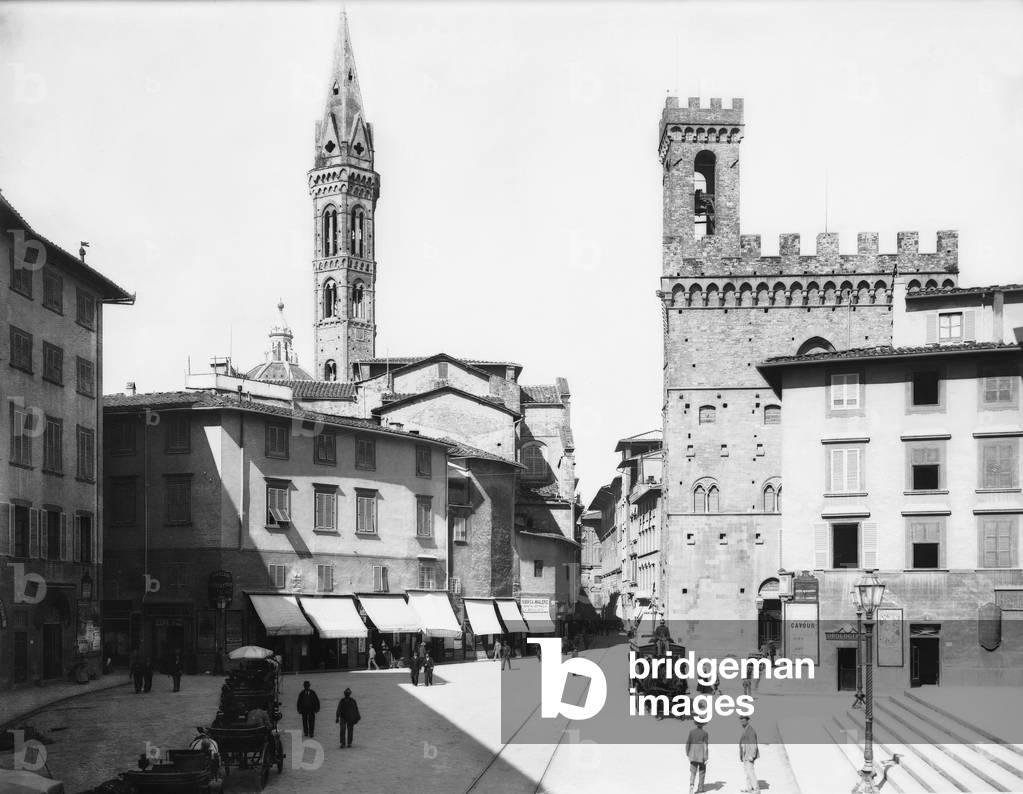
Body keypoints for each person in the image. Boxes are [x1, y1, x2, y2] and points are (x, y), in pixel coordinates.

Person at [686, 720, 710, 794]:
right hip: (701, 755)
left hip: (693, 755)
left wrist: (687, 752)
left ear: (696, 724)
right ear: (703, 724)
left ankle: (691, 785)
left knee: (693, 772)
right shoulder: (705, 733)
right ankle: (700, 788)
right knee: (702, 772)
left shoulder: (691, 732)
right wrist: (706, 757)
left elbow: (688, 742)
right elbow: (705, 746)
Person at [739, 715, 760, 792]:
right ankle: (749, 788)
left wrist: (752, 755)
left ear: (747, 720)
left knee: (750, 772)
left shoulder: (750, 730)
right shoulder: (746, 730)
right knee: (747, 772)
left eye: (743, 720)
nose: (742, 722)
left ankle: (756, 789)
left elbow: (753, 744)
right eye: (741, 720)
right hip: (745, 755)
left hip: (749, 755)